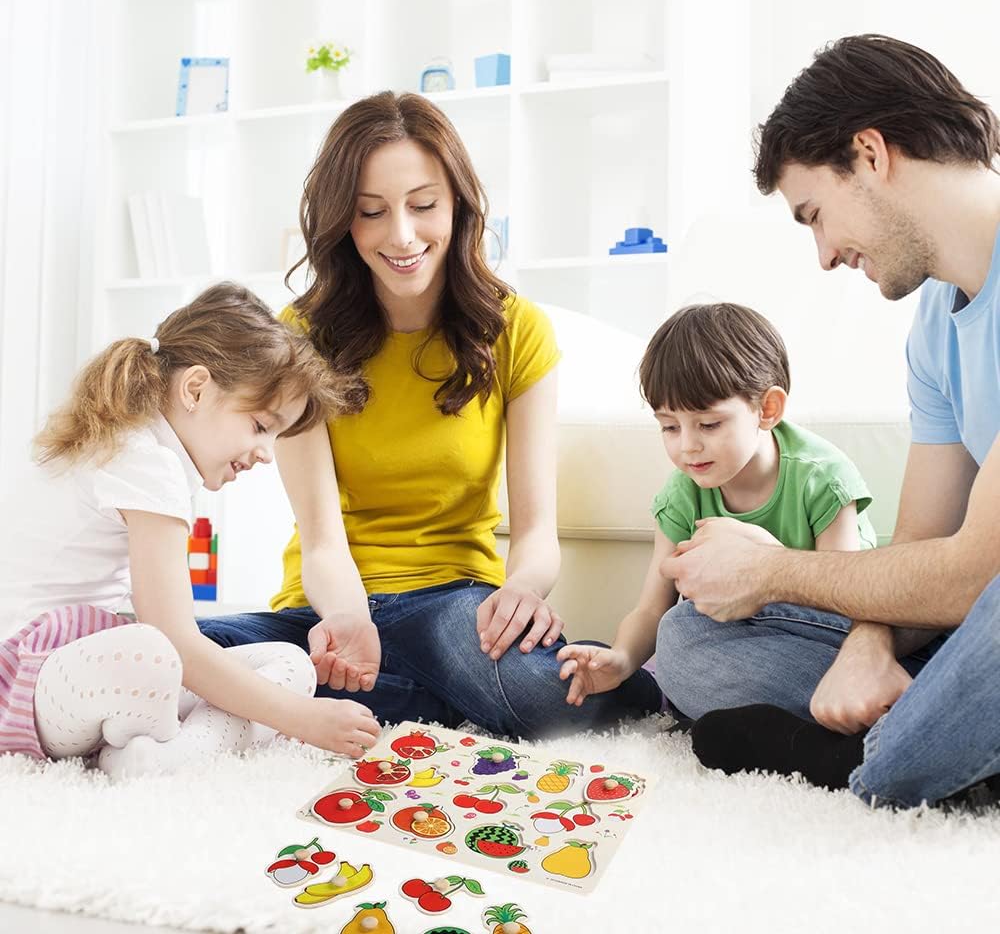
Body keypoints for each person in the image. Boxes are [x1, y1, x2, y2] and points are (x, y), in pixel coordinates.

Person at [197, 91, 661, 738]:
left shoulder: (515, 329)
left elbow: (535, 533)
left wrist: (523, 591)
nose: (403, 236)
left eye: (423, 206)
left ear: (458, 206)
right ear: (343, 220)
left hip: (452, 608)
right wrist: (350, 618)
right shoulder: (299, 336)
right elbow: (322, 539)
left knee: (539, 695)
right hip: (329, 610)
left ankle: (356, 694)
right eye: (371, 212)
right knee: (177, 651)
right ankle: (423, 696)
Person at [658, 34, 1000, 809]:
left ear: (870, 154)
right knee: (690, 642)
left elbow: (978, 571)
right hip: (970, 613)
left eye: (815, 214)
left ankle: (872, 763)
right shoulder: (936, 325)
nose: (823, 255)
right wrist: (868, 646)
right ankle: (951, 747)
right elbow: (922, 545)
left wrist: (774, 570)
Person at [0, 283, 380, 778]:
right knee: (157, 653)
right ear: (195, 388)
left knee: (289, 662)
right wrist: (304, 719)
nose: (266, 454)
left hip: (78, 674)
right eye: (262, 427)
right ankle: (166, 749)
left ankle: (155, 758)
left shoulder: (145, 449)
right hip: (24, 680)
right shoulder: (144, 460)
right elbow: (174, 638)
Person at [557, 302, 876, 709]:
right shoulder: (682, 495)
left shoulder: (822, 478)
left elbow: (846, 602)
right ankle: (796, 719)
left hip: (834, 639)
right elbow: (653, 608)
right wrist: (620, 660)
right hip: (747, 645)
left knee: (684, 647)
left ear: (767, 409)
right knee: (677, 637)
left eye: (708, 424)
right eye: (669, 427)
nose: (687, 445)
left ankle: (820, 710)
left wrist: (763, 558)